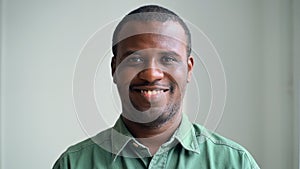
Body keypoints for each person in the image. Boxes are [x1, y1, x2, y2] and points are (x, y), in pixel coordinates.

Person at [53, 5, 260, 169]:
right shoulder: (73, 164)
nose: (151, 74)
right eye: (135, 59)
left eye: (168, 58)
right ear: (115, 68)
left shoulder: (236, 163)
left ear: (188, 69)